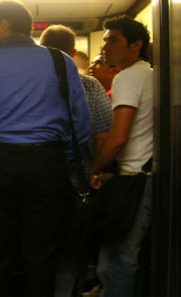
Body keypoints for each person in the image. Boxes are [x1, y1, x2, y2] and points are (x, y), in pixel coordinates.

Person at [0, 1, 92, 296]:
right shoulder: (61, 61)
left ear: (4, 25)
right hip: (46, 162)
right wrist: (62, 158)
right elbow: (80, 122)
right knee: (42, 253)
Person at [40, 24, 113, 297]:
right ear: (73, 52)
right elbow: (104, 137)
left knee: (38, 246)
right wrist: (96, 169)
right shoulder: (90, 85)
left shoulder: (31, 82)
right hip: (78, 180)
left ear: (41, 48)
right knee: (72, 247)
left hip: (36, 176)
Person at [88, 15, 153, 297]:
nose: (105, 47)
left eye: (113, 40)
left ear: (136, 45)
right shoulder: (149, 72)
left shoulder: (128, 76)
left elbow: (118, 137)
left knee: (118, 258)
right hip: (146, 173)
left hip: (134, 176)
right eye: (105, 41)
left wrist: (93, 168)